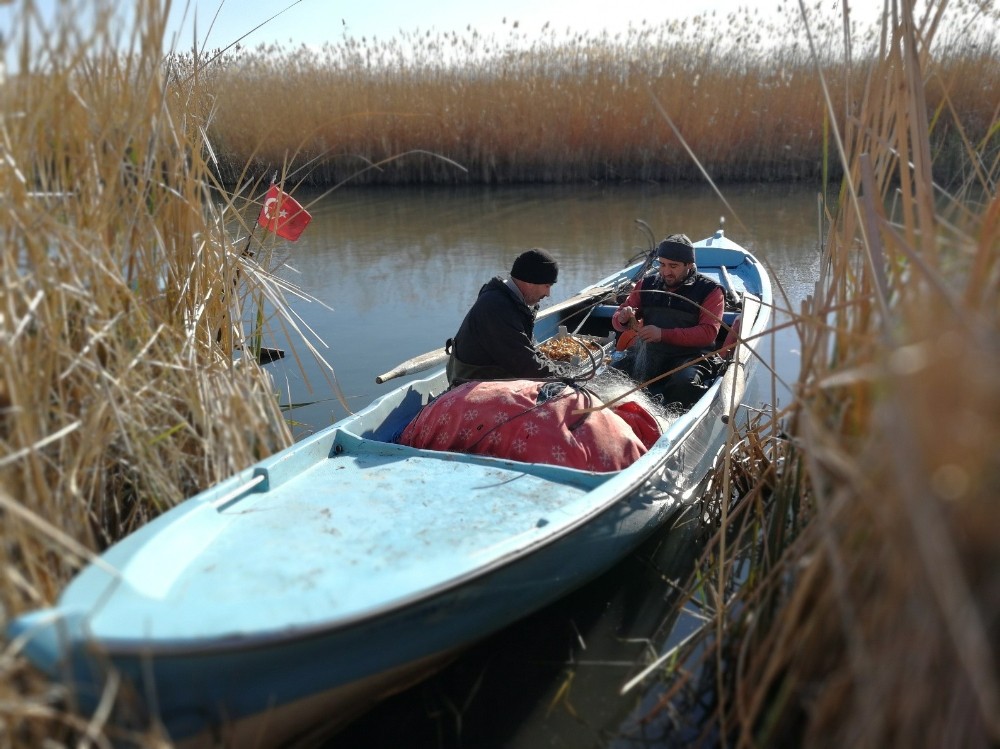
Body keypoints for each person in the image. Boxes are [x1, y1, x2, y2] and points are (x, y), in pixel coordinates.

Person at [611, 233, 725, 407]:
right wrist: (623, 318)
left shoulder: (710, 290)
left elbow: (708, 333)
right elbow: (619, 317)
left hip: (691, 357)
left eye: (673, 266)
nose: (666, 272)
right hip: (650, 354)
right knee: (613, 374)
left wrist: (662, 334)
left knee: (684, 384)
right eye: (662, 264)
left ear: (689, 265)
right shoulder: (646, 284)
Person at [446, 248, 561, 386]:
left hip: (489, 377)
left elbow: (527, 350)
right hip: (470, 386)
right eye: (547, 286)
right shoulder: (496, 307)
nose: (548, 294)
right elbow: (524, 364)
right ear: (530, 281)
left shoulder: (511, 300)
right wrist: (562, 379)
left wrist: (556, 371)